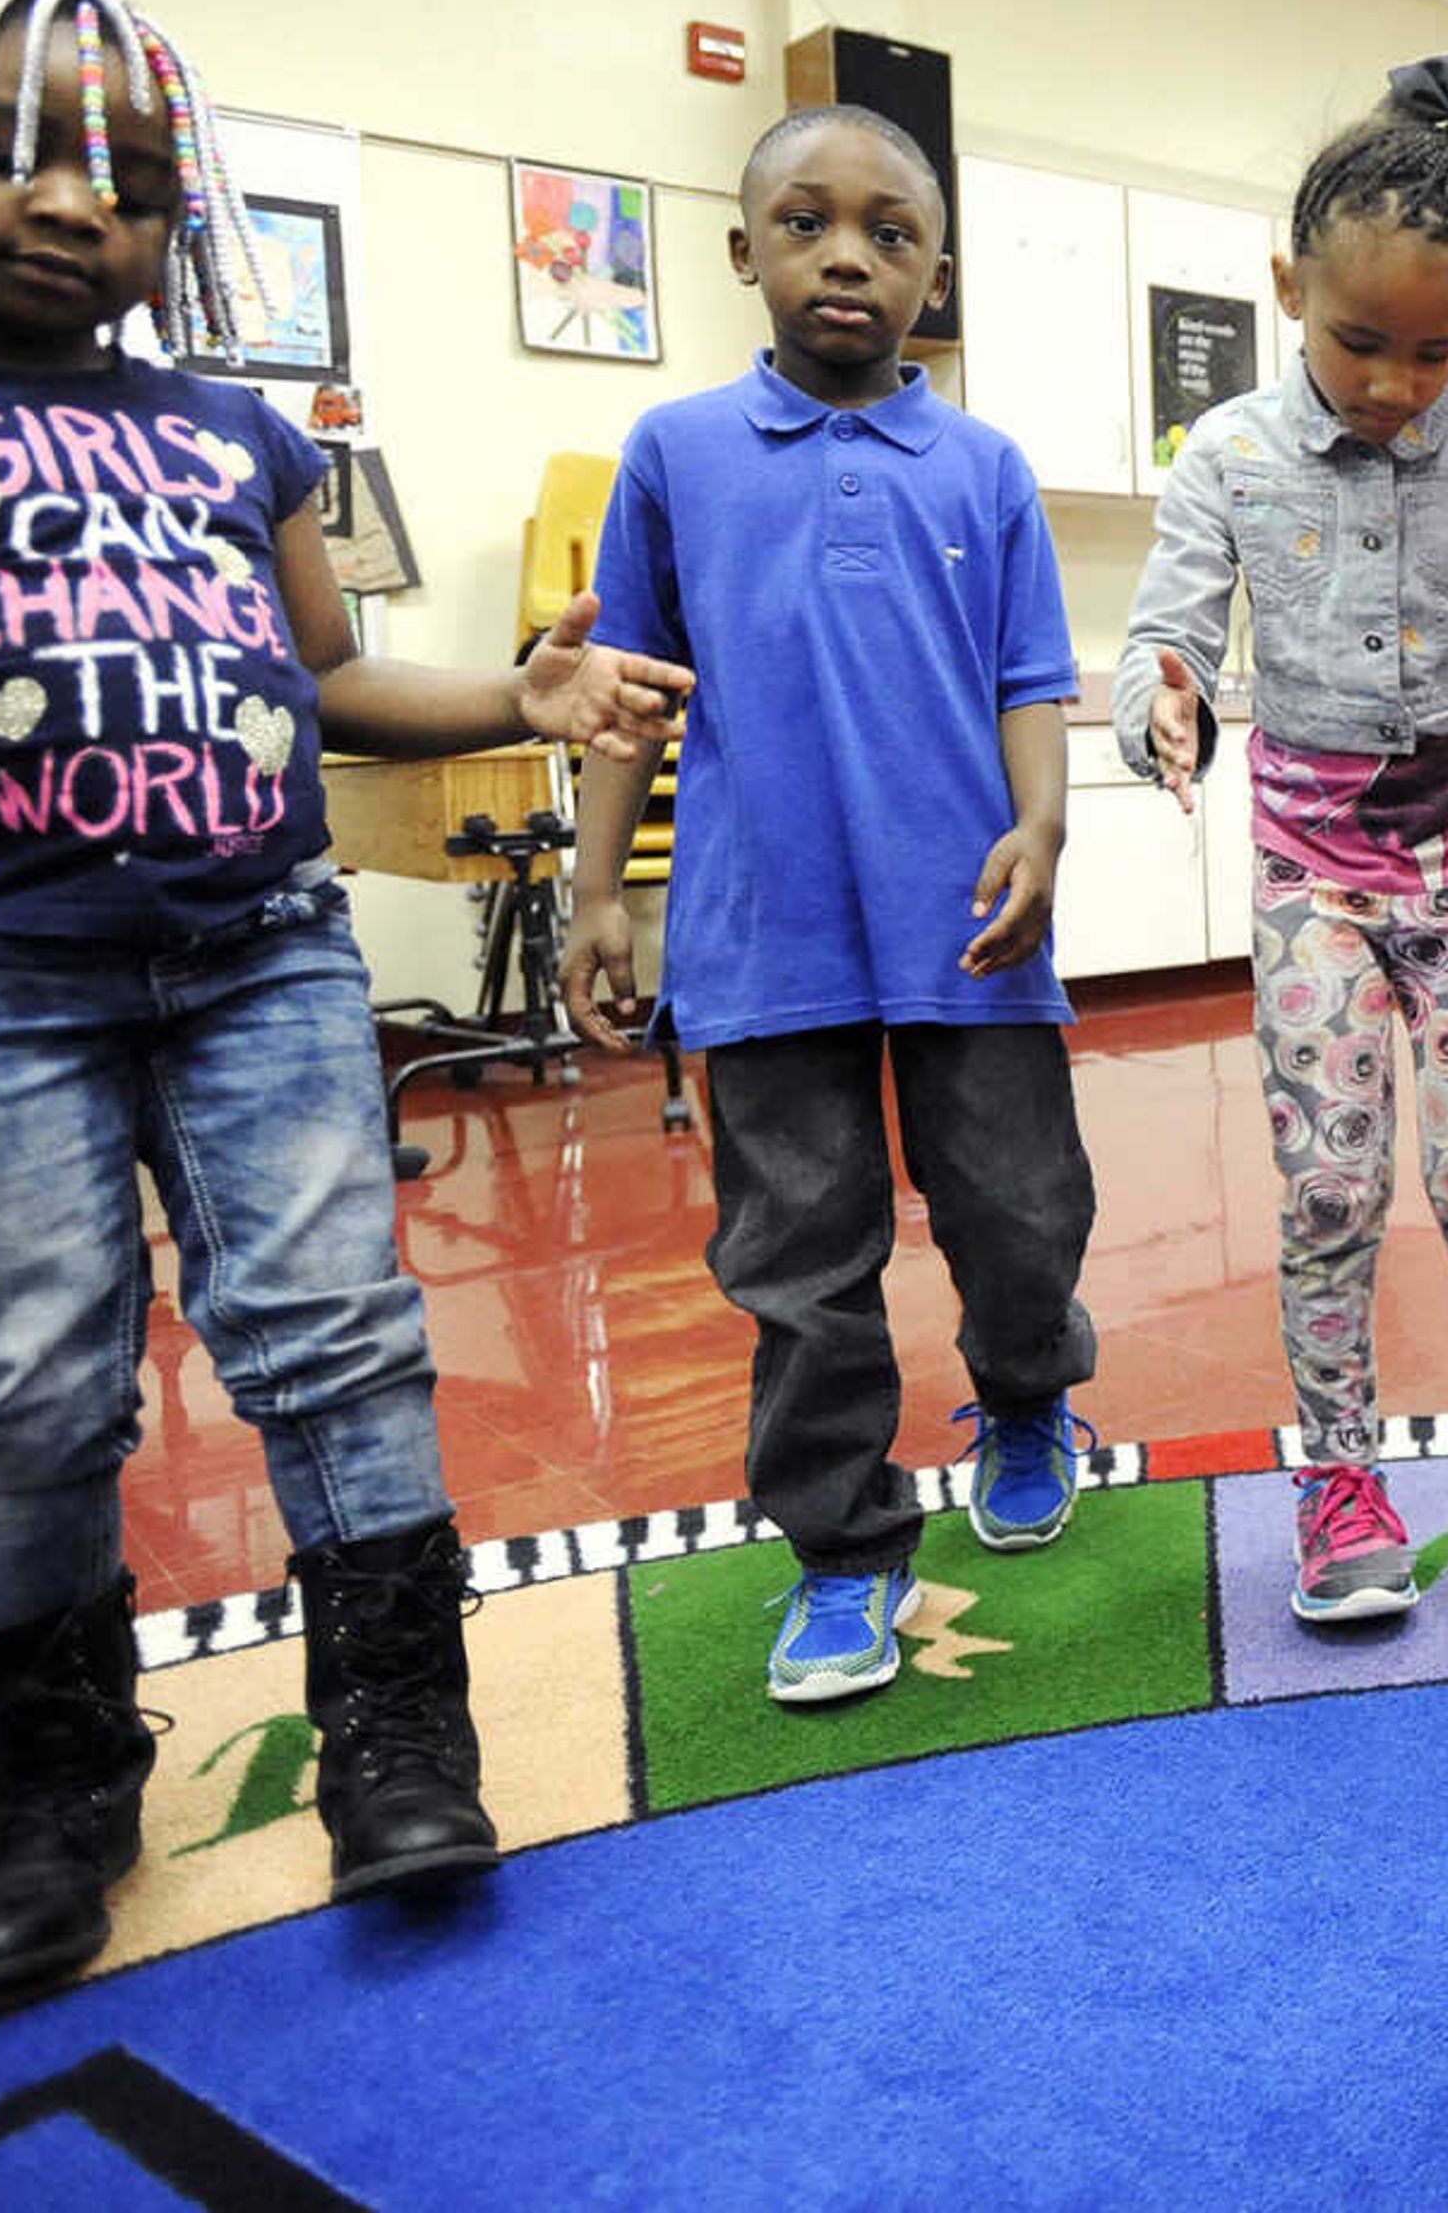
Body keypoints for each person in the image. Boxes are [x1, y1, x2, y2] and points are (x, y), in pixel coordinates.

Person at [0, 0, 694, 1995]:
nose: (74, 204)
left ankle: (397, 1730)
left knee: (336, 1332)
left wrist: (519, 692)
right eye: (11, 152)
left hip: (262, 951)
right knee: (16, 1392)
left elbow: (326, 680)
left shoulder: (230, 428)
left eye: (126, 173)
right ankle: (55, 1776)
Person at [558, 102, 1103, 1707]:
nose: (848, 255)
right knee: (796, 1258)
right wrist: (599, 890)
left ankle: (1021, 1394)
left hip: (970, 922)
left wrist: (1044, 829)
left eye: (890, 231)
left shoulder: (986, 467)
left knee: (1018, 1215)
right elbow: (630, 697)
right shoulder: (676, 456)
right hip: (763, 930)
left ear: (935, 271)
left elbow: (1027, 680)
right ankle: (846, 1553)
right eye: (806, 223)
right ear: (744, 252)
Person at [1108, 53, 1448, 1624]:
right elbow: (1161, 636)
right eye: (1358, 341)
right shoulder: (1229, 457)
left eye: (1434, 350)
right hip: (1311, 885)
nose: (1395, 382)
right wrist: (1162, 698)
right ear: (1285, 290)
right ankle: (1337, 1478)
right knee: (1328, 1187)